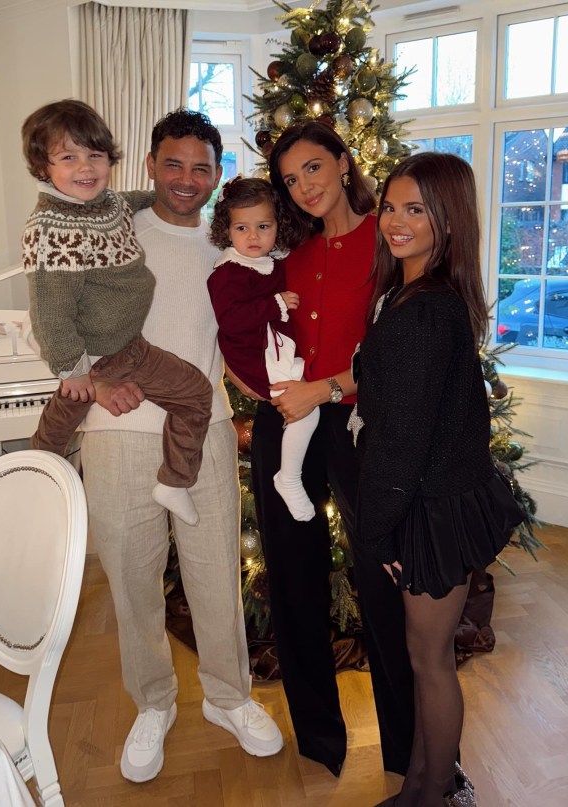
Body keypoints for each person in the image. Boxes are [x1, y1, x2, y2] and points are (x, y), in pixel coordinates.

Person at [76, 108, 283, 783]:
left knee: (216, 572)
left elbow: (254, 336)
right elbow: (62, 310)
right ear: (150, 165)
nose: (187, 178)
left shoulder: (232, 246)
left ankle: (229, 696)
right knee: (133, 580)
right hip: (116, 433)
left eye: (201, 167)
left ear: (217, 175)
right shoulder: (115, 232)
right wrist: (94, 380)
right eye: (174, 163)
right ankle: (153, 703)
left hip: (207, 430)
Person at [237, 121, 415, 779]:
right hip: (285, 419)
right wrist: (253, 380)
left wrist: (327, 386)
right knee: (291, 575)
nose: (303, 186)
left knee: (383, 577)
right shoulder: (288, 254)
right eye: (290, 178)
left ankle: (412, 751)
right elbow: (242, 322)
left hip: (357, 421)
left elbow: (399, 349)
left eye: (313, 167)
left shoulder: (387, 240)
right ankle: (318, 739)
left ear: (343, 162)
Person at [353, 152, 524, 807]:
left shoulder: (422, 311)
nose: (396, 221)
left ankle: (432, 793)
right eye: (390, 206)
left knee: (429, 662)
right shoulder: (416, 294)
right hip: (435, 499)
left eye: (416, 209)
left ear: (447, 219)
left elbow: (402, 440)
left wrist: (379, 532)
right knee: (428, 659)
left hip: (429, 508)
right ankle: (424, 787)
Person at [21, 99, 211, 526]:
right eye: (68, 158)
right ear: (42, 167)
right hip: (97, 356)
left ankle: (173, 482)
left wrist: (162, 197)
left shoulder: (108, 205)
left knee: (195, 395)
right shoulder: (52, 228)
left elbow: (131, 200)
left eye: (95, 155)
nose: (85, 168)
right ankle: (36, 484)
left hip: (129, 346)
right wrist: (77, 373)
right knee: (57, 430)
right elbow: (49, 313)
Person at [207, 176, 319, 521]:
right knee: (306, 409)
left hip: (274, 350)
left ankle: (290, 471)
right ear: (227, 230)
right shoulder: (227, 273)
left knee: (303, 409)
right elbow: (230, 320)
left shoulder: (273, 263)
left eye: (263, 226)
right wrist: (275, 303)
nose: (253, 236)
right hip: (254, 357)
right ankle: (289, 477)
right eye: (242, 228)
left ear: (277, 226)